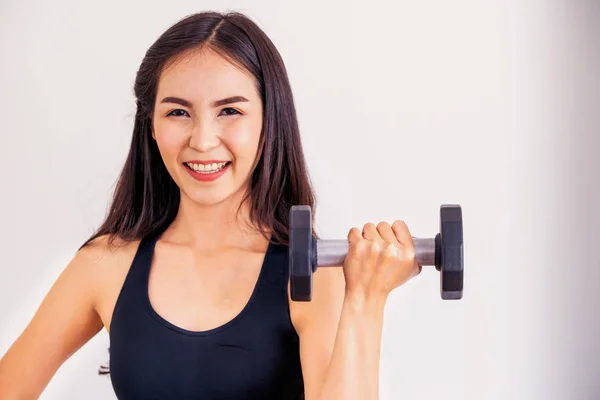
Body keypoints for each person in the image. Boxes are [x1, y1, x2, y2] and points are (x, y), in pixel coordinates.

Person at [0, 10, 421, 400]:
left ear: (268, 121)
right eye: (179, 112)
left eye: (230, 111)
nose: (202, 140)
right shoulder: (104, 266)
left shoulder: (311, 281)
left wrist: (366, 298)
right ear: (150, 126)